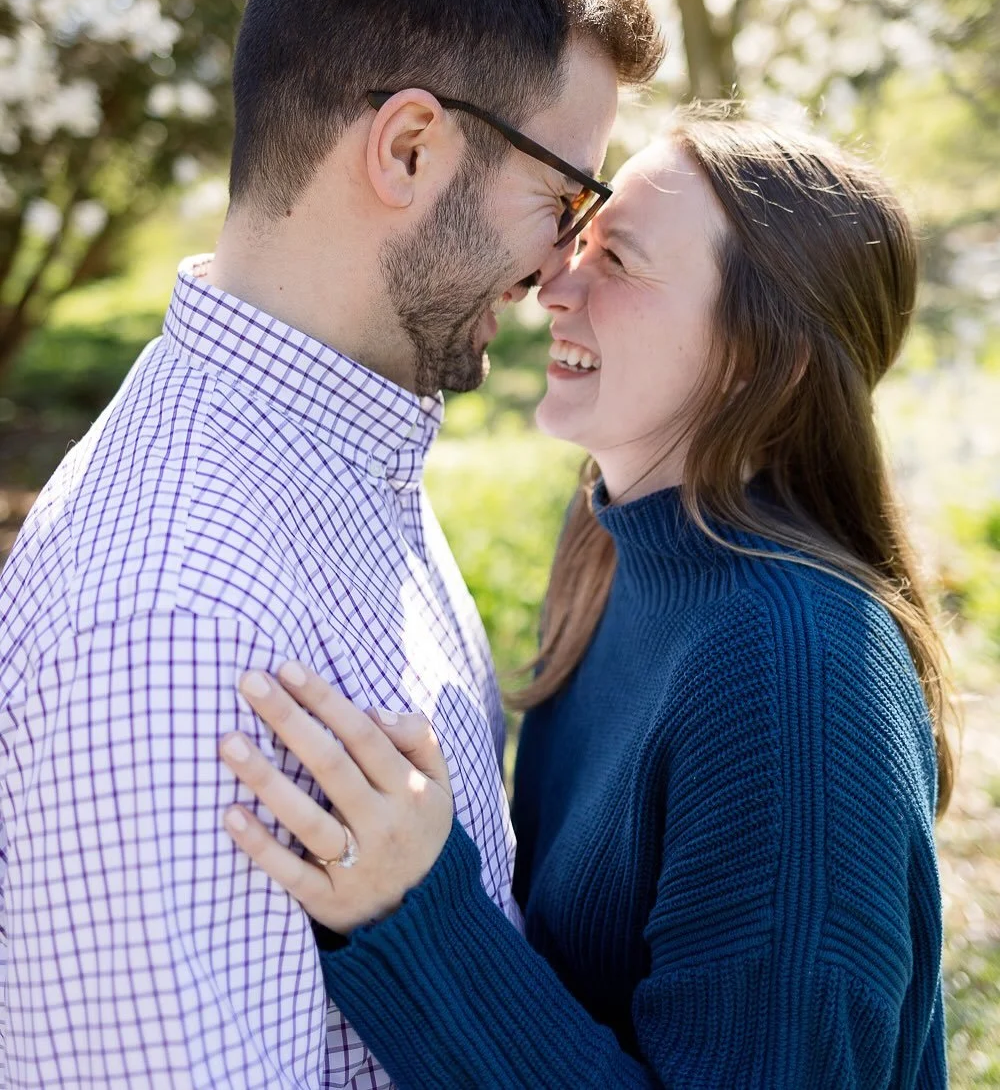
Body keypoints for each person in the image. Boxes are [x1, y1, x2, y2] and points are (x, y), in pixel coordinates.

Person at [0, 0, 662, 1087]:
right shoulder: (175, 622)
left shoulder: (342, 455)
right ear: (410, 147)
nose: (570, 259)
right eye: (565, 196)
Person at [221, 108, 952, 1089]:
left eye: (619, 262)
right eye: (576, 241)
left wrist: (418, 916)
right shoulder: (612, 549)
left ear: (761, 358)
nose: (549, 287)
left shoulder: (795, 678)